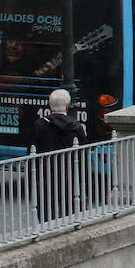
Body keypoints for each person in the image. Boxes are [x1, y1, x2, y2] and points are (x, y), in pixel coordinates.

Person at [30, 88, 87, 222]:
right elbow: (82, 153)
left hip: (46, 175)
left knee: (46, 212)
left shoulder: (40, 125)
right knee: (70, 211)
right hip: (70, 175)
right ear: (67, 105)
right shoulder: (76, 127)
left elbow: (32, 150)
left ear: (50, 105)